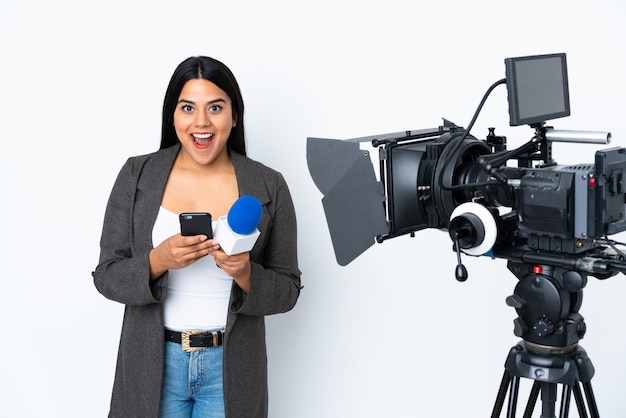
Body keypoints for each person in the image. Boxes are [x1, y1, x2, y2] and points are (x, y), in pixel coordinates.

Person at [93, 56, 302, 418]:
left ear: (234, 116)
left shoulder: (269, 185)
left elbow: (288, 290)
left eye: (215, 108)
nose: (201, 122)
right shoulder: (136, 176)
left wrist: (244, 273)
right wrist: (158, 261)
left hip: (231, 369)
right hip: (153, 363)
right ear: (172, 116)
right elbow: (106, 276)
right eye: (188, 107)